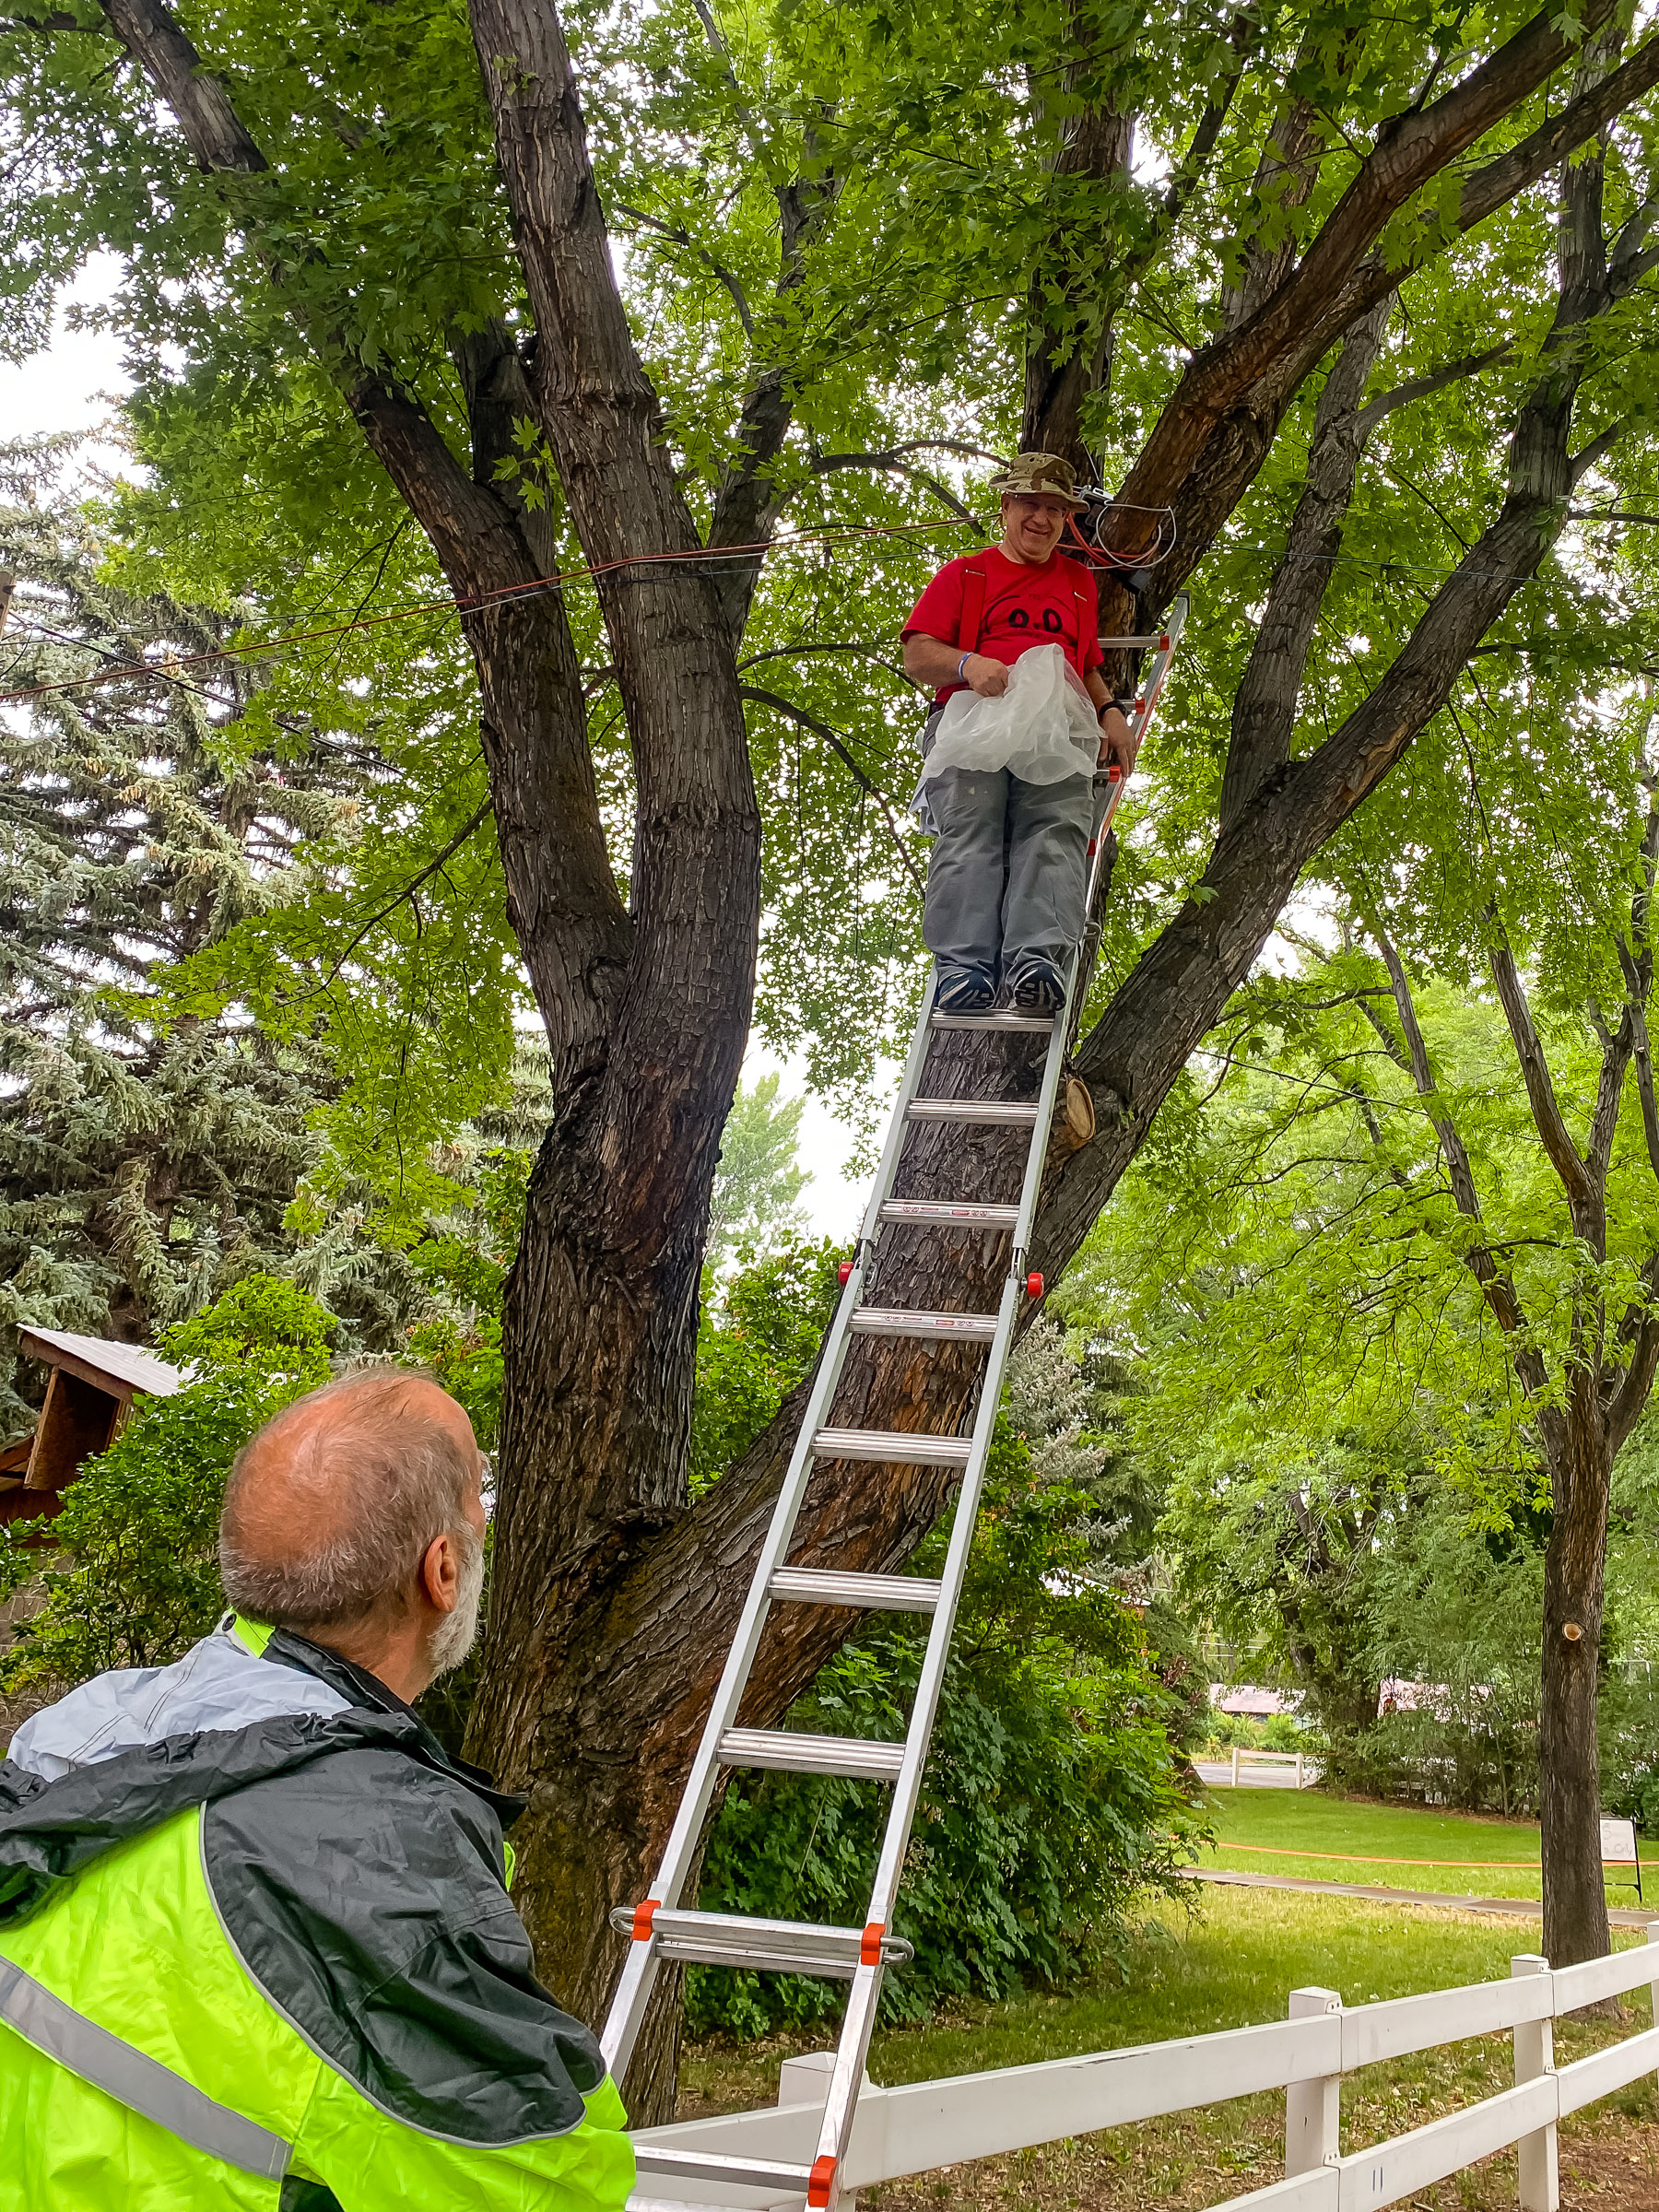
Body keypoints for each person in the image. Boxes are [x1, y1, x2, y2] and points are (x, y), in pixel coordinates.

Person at [0, 1367, 634, 2212]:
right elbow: (542, 2179)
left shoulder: (77, 1732)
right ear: (440, 1572)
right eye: (479, 1500)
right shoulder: (380, 1852)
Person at [902, 451, 1140, 1014]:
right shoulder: (967, 574)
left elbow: (1082, 664)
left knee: (1055, 829)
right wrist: (967, 665)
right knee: (970, 832)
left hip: (1053, 725)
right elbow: (918, 655)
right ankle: (963, 968)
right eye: (1031, 504)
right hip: (973, 720)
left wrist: (1108, 711)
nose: (1043, 518)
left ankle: (1037, 961)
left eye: (1056, 509)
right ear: (1006, 507)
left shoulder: (1079, 583)